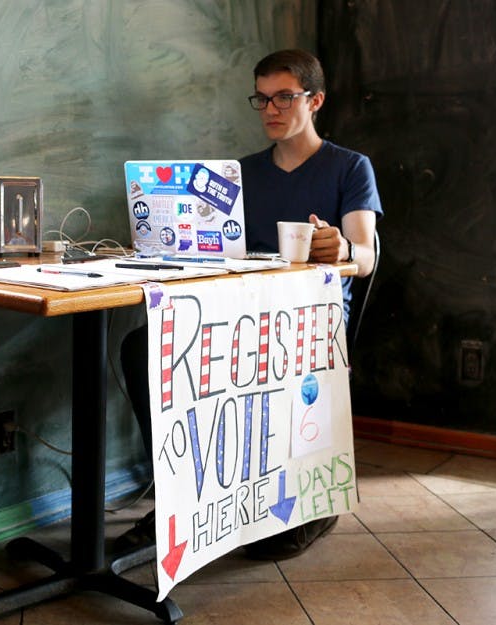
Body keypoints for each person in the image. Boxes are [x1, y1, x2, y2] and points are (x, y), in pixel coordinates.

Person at [115, 49, 382, 560]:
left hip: (311, 319)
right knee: (142, 347)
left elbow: (366, 254)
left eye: (284, 96)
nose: (270, 109)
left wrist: (344, 247)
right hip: (237, 312)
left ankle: (306, 504)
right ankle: (181, 496)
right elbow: (215, 250)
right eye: (262, 99)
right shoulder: (236, 175)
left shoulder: (350, 168)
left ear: (315, 100)